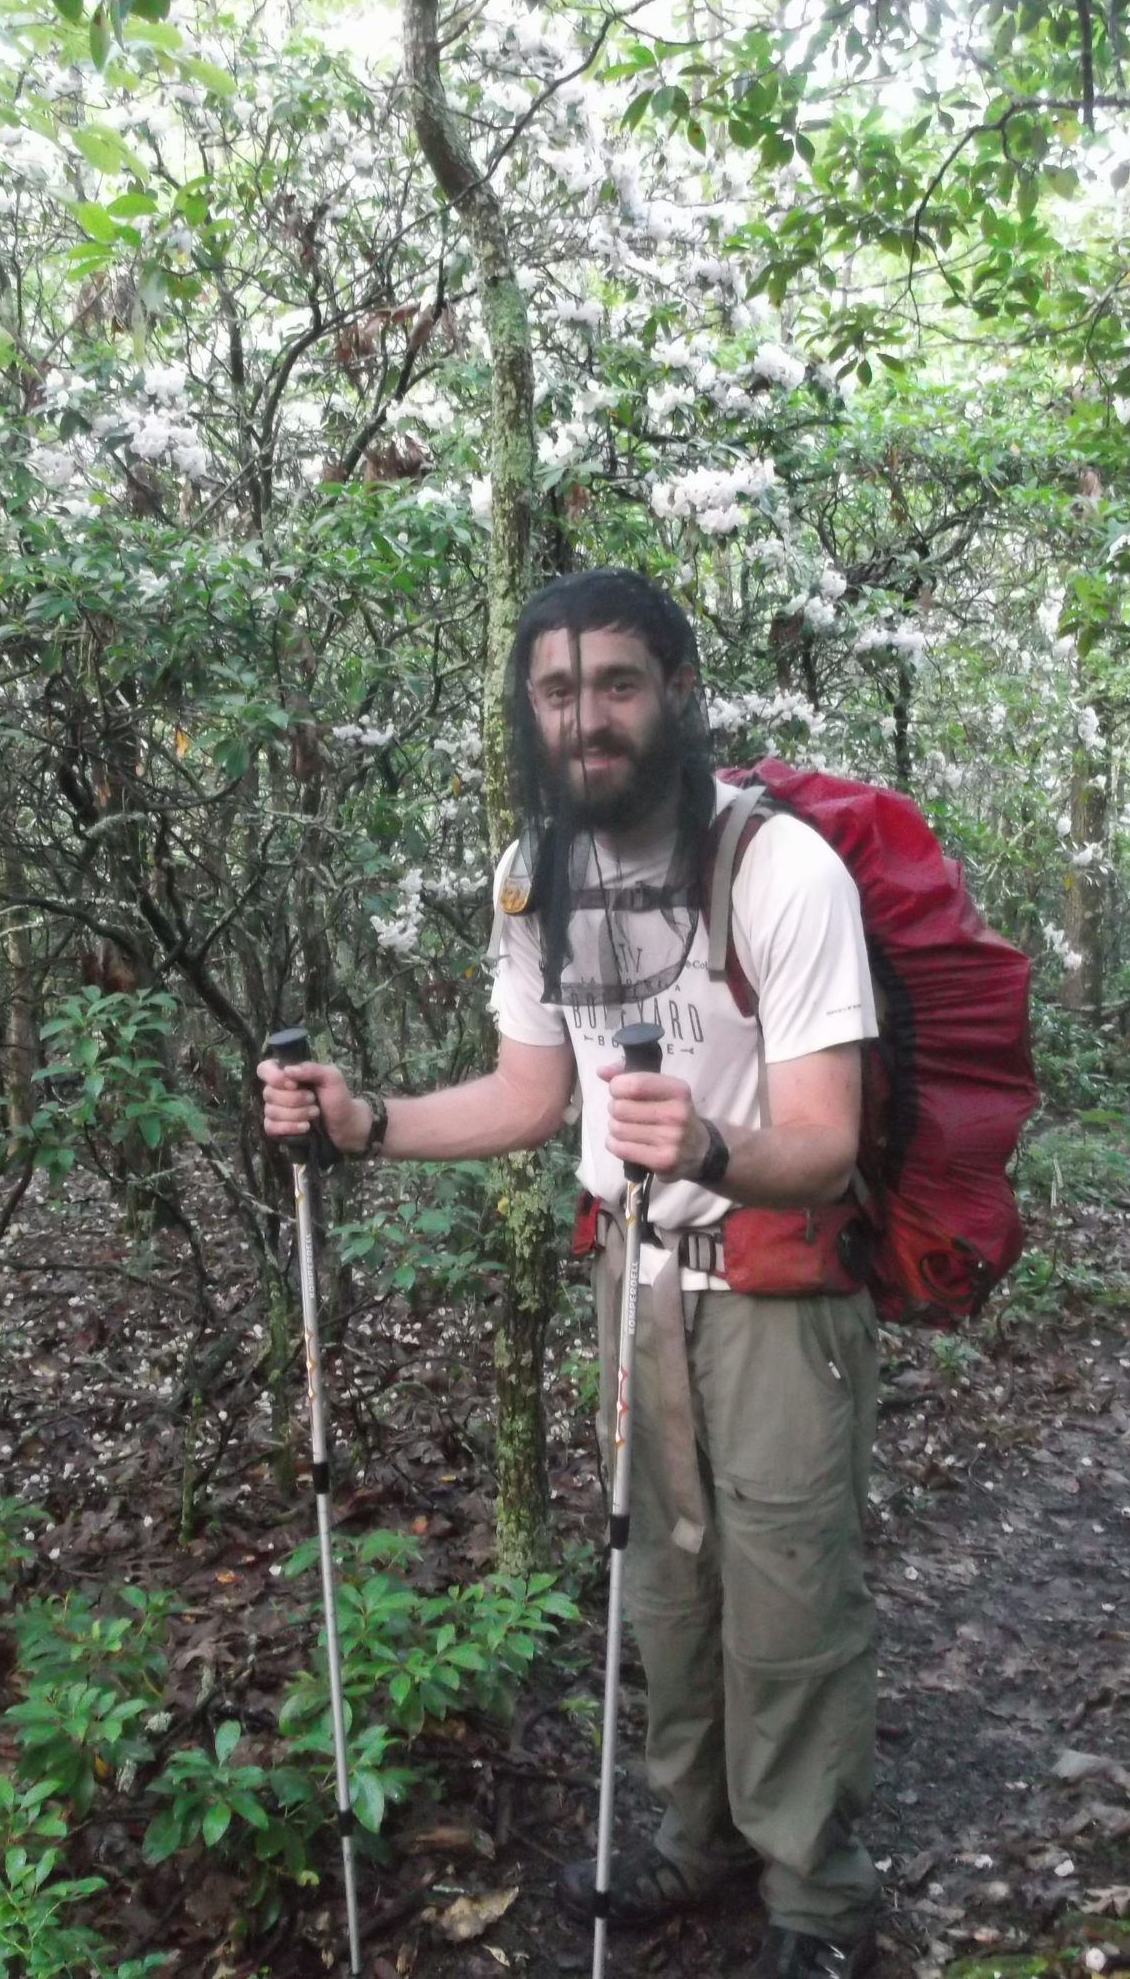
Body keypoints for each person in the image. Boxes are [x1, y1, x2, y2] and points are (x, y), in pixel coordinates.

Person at [259, 568, 881, 1979]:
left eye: (616, 686)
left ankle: (814, 1900)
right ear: (526, 709)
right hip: (636, 1282)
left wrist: (711, 1144)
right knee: (662, 1580)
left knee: (789, 1592)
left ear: (674, 690)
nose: (586, 718)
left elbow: (830, 1145)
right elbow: (532, 1097)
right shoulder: (535, 876)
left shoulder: (778, 870)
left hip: (778, 1282)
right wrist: (362, 1126)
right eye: (556, 691)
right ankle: (695, 1839)